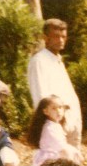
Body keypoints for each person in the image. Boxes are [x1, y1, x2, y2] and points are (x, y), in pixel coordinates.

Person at [27, 19, 82, 148]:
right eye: (56, 36)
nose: (61, 40)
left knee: (73, 159)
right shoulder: (39, 61)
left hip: (71, 121)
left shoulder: (57, 60)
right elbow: (41, 98)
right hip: (56, 125)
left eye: (63, 36)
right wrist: (53, 126)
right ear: (45, 38)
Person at [28, 96, 83, 166]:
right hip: (49, 161)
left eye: (60, 107)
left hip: (54, 156)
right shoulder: (49, 128)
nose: (58, 111)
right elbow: (62, 148)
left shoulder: (54, 125)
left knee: (70, 155)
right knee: (69, 156)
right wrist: (76, 153)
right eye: (54, 108)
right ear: (46, 111)